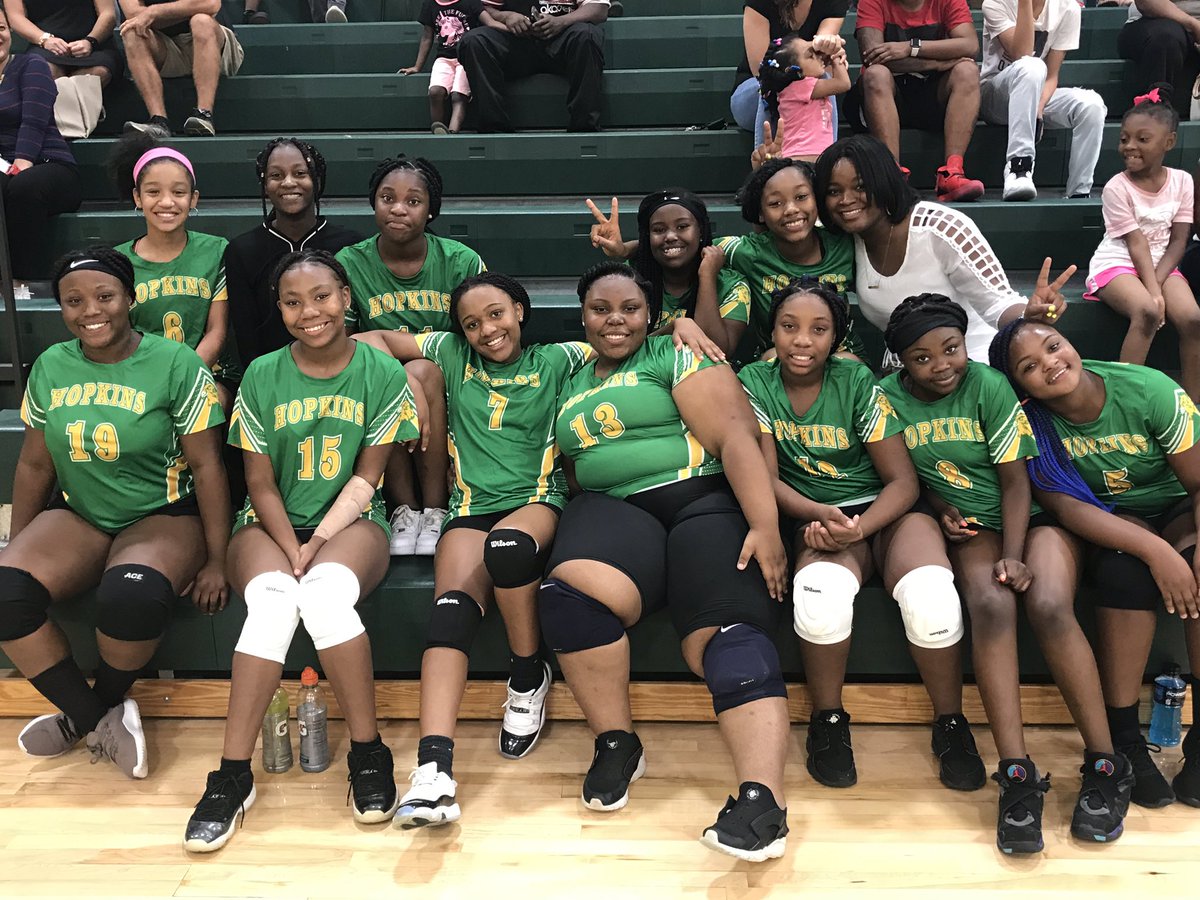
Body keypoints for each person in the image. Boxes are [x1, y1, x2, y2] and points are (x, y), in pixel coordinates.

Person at [541, 261, 791, 862]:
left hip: (698, 496)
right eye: (601, 309)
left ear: (650, 314)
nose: (615, 320)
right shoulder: (569, 377)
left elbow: (735, 435)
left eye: (629, 308)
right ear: (583, 316)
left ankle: (763, 802)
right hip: (614, 509)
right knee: (569, 597)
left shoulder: (673, 353)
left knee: (726, 635)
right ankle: (617, 742)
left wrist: (764, 524)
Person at [182, 250, 422, 852]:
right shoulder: (262, 373)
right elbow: (259, 484)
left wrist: (317, 544)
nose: (308, 311)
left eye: (321, 297)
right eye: (292, 302)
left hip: (350, 524)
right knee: (271, 604)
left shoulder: (380, 371)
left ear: (345, 297)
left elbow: (368, 478)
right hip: (267, 525)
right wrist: (291, 546)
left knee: (326, 597)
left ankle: (368, 754)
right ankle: (232, 775)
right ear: (279, 309)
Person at [880, 294, 1133, 853]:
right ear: (901, 363)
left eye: (950, 350)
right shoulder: (888, 398)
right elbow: (904, 473)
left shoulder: (988, 386)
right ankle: (1017, 775)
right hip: (973, 526)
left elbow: (1018, 484)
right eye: (922, 358)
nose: (941, 364)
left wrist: (1015, 554)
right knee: (991, 605)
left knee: (1045, 603)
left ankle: (1106, 761)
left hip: (1034, 516)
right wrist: (936, 507)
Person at [738, 278, 985, 797]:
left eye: (818, 329)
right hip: (815, 515)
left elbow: (903, 481)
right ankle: (828, 721)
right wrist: (822, 517)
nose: (802, 340)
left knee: (933, 599)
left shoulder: (855, 383)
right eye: (789, 327)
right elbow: (765, 480)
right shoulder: (753, 383)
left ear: (837, 338)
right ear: (773, 331)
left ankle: (951, 723)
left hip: (886, 513)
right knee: (819, 600)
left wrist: (860, 525)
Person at [2, 247, 230, 780]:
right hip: (81, 515)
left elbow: (210, 469)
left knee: (131, 596)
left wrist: (217, 559)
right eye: (73, 301)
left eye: (104, 296)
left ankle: (89, 710)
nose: (90, 310)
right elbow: (35, 466)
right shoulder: (52, 366)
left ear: (130, 297)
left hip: (164, 513)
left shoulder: (177, 363)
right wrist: (19, 540)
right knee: (6, 594)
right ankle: (94, 715)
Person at [990, 318, 1200, 811]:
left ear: (1071, 341)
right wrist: (1156, 552)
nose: (1050, 364)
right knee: (1125, 574)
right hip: (1109, 515)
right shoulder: (1031, 423)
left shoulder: (1147, 390)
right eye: (1030, 366)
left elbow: (1198, 485)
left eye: (1054, 346)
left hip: (1178, 505)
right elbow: (1067, 508)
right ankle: (1125, 739)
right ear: (1020, 385)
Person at [811, 134, 1072, 363]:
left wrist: (1031, 313)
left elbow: (998, 303)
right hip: (908, 373)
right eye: (834, 191)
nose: (846, 200)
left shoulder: (941, 227)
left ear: (884, 181)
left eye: (860, 186)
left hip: (974, 361)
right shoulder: (843, 239)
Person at [336, 156, 482, 555]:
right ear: (373, 203)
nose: (398, 208)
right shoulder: (350, 262)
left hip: (450, 382)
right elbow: (342, 342)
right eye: (387, 198)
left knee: (424, 369)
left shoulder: (460, 261)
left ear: (431, 208)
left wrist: (415, 376)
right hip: (379, 382)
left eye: (413, 201)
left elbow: (480, 337)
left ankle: (434, 508)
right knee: (396, 374)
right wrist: (401, 378)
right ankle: (404, 509)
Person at [586, 159, 856, 358]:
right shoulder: (745, 251)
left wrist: (706, 274)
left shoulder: (845, 243)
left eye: (801, 197)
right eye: (775, 203)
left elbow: (719, 348)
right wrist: (624, 251)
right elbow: (680, 246)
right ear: (760, 213)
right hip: (780, 358)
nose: (791, 209)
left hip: (841, 353)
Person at [1084, 86, 1200, 401]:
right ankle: (1123, 401)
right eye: (1124, 139)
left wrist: (1158, 283)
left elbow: (1179, 240)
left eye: (1143, 139)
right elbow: (1135, 244)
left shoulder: (1182, 181)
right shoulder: (1115, 188)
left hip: (1162, 263)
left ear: (1169, 142)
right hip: (1118, 263)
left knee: (1192, 319)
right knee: (1148, 311)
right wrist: (1153, 293)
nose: (1130, 146)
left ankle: (1193, 404)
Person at [110, 136, 236, 404]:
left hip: (204, 375)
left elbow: (217, 331)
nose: (167, 202)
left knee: (207, 404)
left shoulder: (216, 251)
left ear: (193, 199)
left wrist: (183, 376)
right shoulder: (117, 260)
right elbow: (119, 336)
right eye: (153, 192)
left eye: (178, 192)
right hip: (138, 377)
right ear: (137, 197)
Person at [225, 138, 362, 368]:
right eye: (276, 176)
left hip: (342, 375)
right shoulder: (242, 251)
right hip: (271, 377)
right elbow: (246, 336)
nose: (288, 182)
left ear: (317, 180)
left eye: (300, 173)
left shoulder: (349, 246)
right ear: (265, 185)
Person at [845, 0, 986, 202]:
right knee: (876, 74)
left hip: (932, 97)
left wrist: (911, 47)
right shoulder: (872, 1)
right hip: (888, 97)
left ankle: (952, 172)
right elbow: (872, 55)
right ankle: (892, 176)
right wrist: (939, 63)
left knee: (967, 71)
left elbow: (969, 45)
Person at [586, 190, 752, 357]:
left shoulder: (732, 284)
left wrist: (707, 276)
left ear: (701, 230)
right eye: (659, 230)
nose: (671, 236)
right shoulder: (631, 278)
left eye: (682, 227)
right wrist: (673, 327)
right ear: (648, 236)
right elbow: (616, 347)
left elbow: (718, 351)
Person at [979, 0, 1106, 201]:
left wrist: (1038, 108)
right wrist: (1025, 3)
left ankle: (1079, 191)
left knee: (1092, 104)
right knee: (1031, 66)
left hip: (1036, 91)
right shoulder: (995, 3)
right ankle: (1019, 168)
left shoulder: (1068, 8)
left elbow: (1051, 76)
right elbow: (1022, 54)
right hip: (993, 97)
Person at [0, 8, 82, 289]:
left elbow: (34, 120)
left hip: (49, 164)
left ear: (10, 31)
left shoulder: (30, 64)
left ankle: (29, 283)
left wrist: (23, 160)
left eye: (0, 28)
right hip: (4, 166)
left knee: (24, 188)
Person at [457, 0, 608, 133]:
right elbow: (482, 7)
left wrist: (561, 21)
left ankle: (583, 127)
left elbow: (599, 9)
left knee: (587, 35)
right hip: (517, 41)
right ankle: (494, 128)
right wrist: (506, 16)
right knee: (474, 41)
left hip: (564, 39)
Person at [119, 0, 245, 138]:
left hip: (214, 43)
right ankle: (158, 120)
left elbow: (211, 4)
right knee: (131, 32)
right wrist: (189, 9)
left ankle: (204, 114)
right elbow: (133, 14)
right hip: (166, 45)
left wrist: (153, 12)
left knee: (201, 20)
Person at [730, 0, 848, 140]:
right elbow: (762, 72)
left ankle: (825, 158)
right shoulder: (760, 3)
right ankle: (769, 159)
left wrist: (832, 49)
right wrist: (818, 50)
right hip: (754, 92)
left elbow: (821, 54)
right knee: (770, 88)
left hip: (804, 92)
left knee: (824, 80)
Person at [399, 0, 502, 134]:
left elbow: (490, 22)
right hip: (444, 58)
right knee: (435, 92)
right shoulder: (430, 4)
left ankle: (453, 132)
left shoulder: (470, 2)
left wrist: (513, 29)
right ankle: (438, 129)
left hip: (466, 58)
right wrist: (417, 66)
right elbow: (427, 37)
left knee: (458, 96)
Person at [758, 34, 852, 163]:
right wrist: (835, 55)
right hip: (803, 154)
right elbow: (843, 83)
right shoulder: (800, 87)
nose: (818, 56)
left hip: (809, 154)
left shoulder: (798, 87)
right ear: (793, 70)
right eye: (810, 56)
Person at [3, 0, 123, 87]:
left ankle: (72, 117)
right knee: (44, 71)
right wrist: (45, 39)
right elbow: (15, 17)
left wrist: (90, 41)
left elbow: (108, 14)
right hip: (44, 46)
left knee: (98, 73)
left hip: (95, 45)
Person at [1118, 0, 1200, 119]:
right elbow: (1146, 2)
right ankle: (1157, 111)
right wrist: (1194, 25)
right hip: (1159, 21)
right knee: (1166, 38)